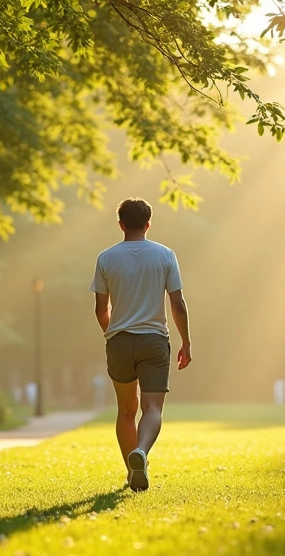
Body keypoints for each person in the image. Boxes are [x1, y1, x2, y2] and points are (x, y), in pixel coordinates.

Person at [90, 197, 191, 492]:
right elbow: (178, 304)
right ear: (148, 223)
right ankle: (142, 453)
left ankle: (131, 471)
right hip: (154, 341)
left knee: (125, 411)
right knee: (152, 408)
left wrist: (114, 334)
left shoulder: (106, 258)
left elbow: (100, 309)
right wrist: (185, 341)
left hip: (119, 340)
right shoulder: (165, 255)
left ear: (120, 224)